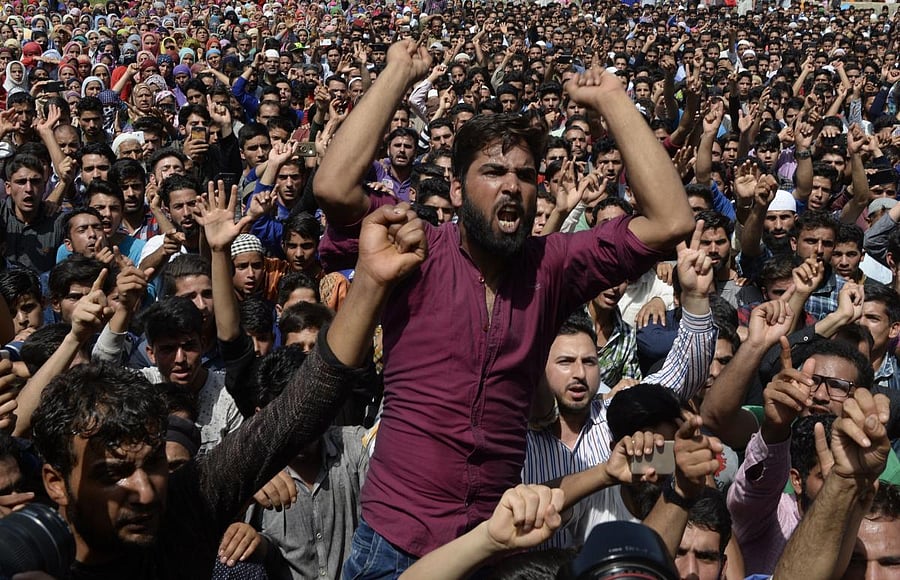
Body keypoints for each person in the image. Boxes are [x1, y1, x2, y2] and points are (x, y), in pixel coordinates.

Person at [316, 41, 693, 574]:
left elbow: (671, 221)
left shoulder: (552, 266)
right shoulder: (412, 249)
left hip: (493, 543)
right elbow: (332, 186)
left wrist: (611, 99)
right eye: (493, 172)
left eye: (525, 174)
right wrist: (399, 71)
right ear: (456, 186)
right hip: (394, 542)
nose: (512, 186)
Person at [27, 188, 429, 578]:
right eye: (112, 473)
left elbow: (299, 410)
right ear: (56, 483)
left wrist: (371, 284)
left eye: (153, 464)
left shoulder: (183, 508)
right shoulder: (26, 554)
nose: (146, 492)